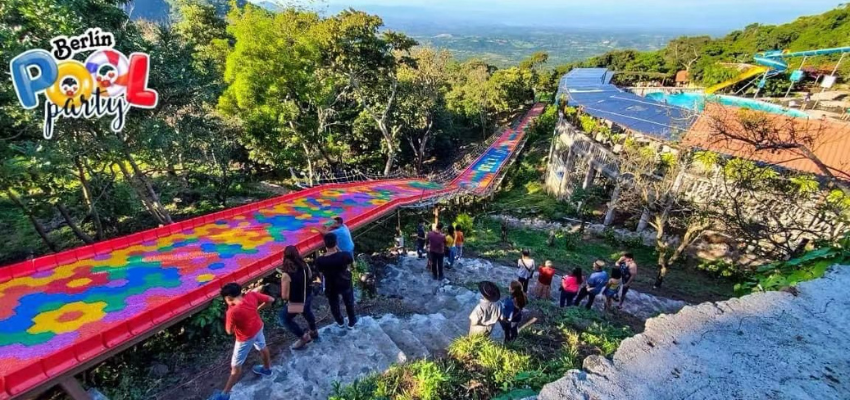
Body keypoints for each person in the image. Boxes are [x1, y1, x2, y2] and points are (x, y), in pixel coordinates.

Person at [209, 283, 274, 400]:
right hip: (258, 327)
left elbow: (229, 331)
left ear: (228, 298)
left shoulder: (232, 312)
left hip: (244, 339)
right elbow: (271, 299)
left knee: (236, 366)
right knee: (262, 346)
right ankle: (267, 369)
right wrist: (258, 309)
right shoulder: (252, 295)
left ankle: (225, 394)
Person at [278, 246, 318, 350]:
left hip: (297, 303)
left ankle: (303, 337)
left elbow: (285, 296)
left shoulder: (286, 275)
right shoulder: (305, 265)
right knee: (307, 311)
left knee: (284, 319)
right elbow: (309, 277)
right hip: (308, 296)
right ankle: (313, 330)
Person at [315, 233, 357, 329]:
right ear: (336, 242)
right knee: (349, 301)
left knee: (334, 304)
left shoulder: (320, 260)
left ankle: (340, 322)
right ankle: (352, 321)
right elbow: (351, 261)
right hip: (344, 281)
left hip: (330, 284)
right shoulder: (344, 255)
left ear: (325, 244)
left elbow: (320, 273)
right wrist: (338, 250)